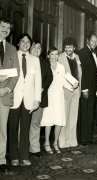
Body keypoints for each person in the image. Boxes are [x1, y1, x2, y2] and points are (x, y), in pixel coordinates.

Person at [8, 33, 41, 166]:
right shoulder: (12, 56)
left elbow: (38, 82)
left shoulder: (35, 60)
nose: (26, 44)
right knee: (13, 128)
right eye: (23, 41)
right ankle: (14, 157)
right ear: (18, 43)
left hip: (29, 100)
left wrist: (37, 99)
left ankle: (24, 156)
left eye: (28, 42)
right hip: (14, 98)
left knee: (26, 129)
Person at [40, 47, 73, 154]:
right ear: (48, 55)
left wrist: (73, 86)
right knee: (48, 121)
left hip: (59, 97)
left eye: (56, 54)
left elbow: (64, 82)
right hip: (48, 96)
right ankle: (46, 143)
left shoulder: (61, 67)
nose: (54, 57)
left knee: (58, 120)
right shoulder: (44, 65)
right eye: (52, 54)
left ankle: (55, 143)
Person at [0, 17, 19, 172]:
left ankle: (0, 160)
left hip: (5, 95)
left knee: (2, 130)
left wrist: (6, 89)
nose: (5, 30)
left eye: (7, 28)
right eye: (2, 26)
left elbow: (15, 74)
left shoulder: (12, 49)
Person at [29, 41, 53, 157]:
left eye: (39, 47)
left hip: (40, 97)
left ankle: (34, 148)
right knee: (23, 124)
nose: (36, 49)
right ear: (30, 48)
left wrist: (42, 88)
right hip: (26, 98)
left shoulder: (44, 63)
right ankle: (22, 147)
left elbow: (50, 77)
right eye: (34, 47)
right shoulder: (26, 61)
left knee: (35, 123)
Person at [58, 37, 82, 148]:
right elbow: (59, 76)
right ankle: (63, 141)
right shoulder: (60, 58)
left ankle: (72, 140)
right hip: (65, 91)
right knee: (65, 117)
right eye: (66, 46)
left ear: (74, 48)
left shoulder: (77, 57)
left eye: (70, 46)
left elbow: (80, 74)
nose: (68, 48)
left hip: (76, 91)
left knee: (73, 117)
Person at [78, 32, 97, 146]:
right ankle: (82, 138)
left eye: (96, 42)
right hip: (86, 89)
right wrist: (84, 88)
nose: (94, 43)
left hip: (92, 89)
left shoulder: (95, 53)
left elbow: (96, 71)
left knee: (90, 114)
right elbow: (81, 73)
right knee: (84, 113)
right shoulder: (82, 52)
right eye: (92, 41)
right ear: (87, 40)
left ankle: (88, 137)